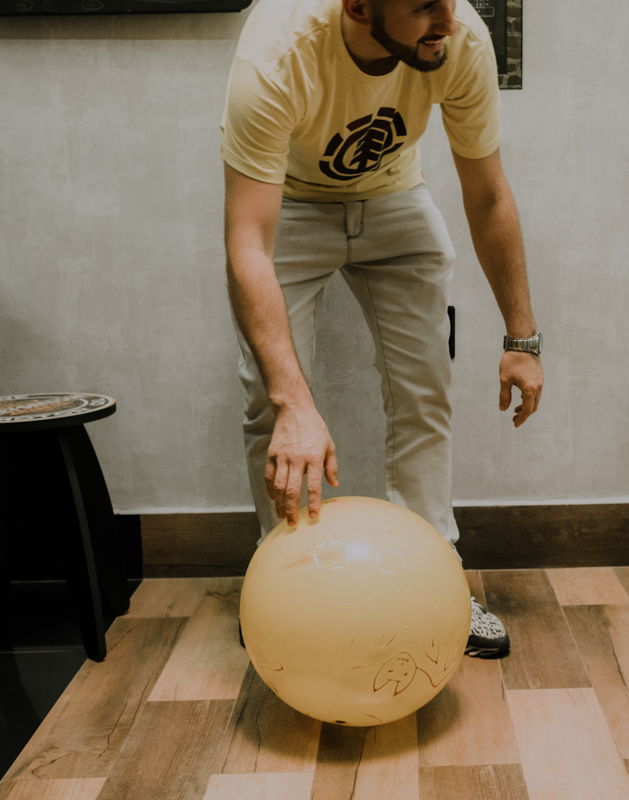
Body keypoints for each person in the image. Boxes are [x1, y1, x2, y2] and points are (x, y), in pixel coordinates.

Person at [220, 0, 543, 659]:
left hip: (396, 198)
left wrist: (522, 339)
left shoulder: (462, 41)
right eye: (425, 6)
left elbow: (488, 196)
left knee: (427, 390)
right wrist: (294, 402)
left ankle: (438, 579)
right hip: (294, 206)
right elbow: (248, 241)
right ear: (361, 7)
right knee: (271, 407)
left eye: (449, 0)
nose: (447, 21)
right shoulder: (277, 55)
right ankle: (283, 589)